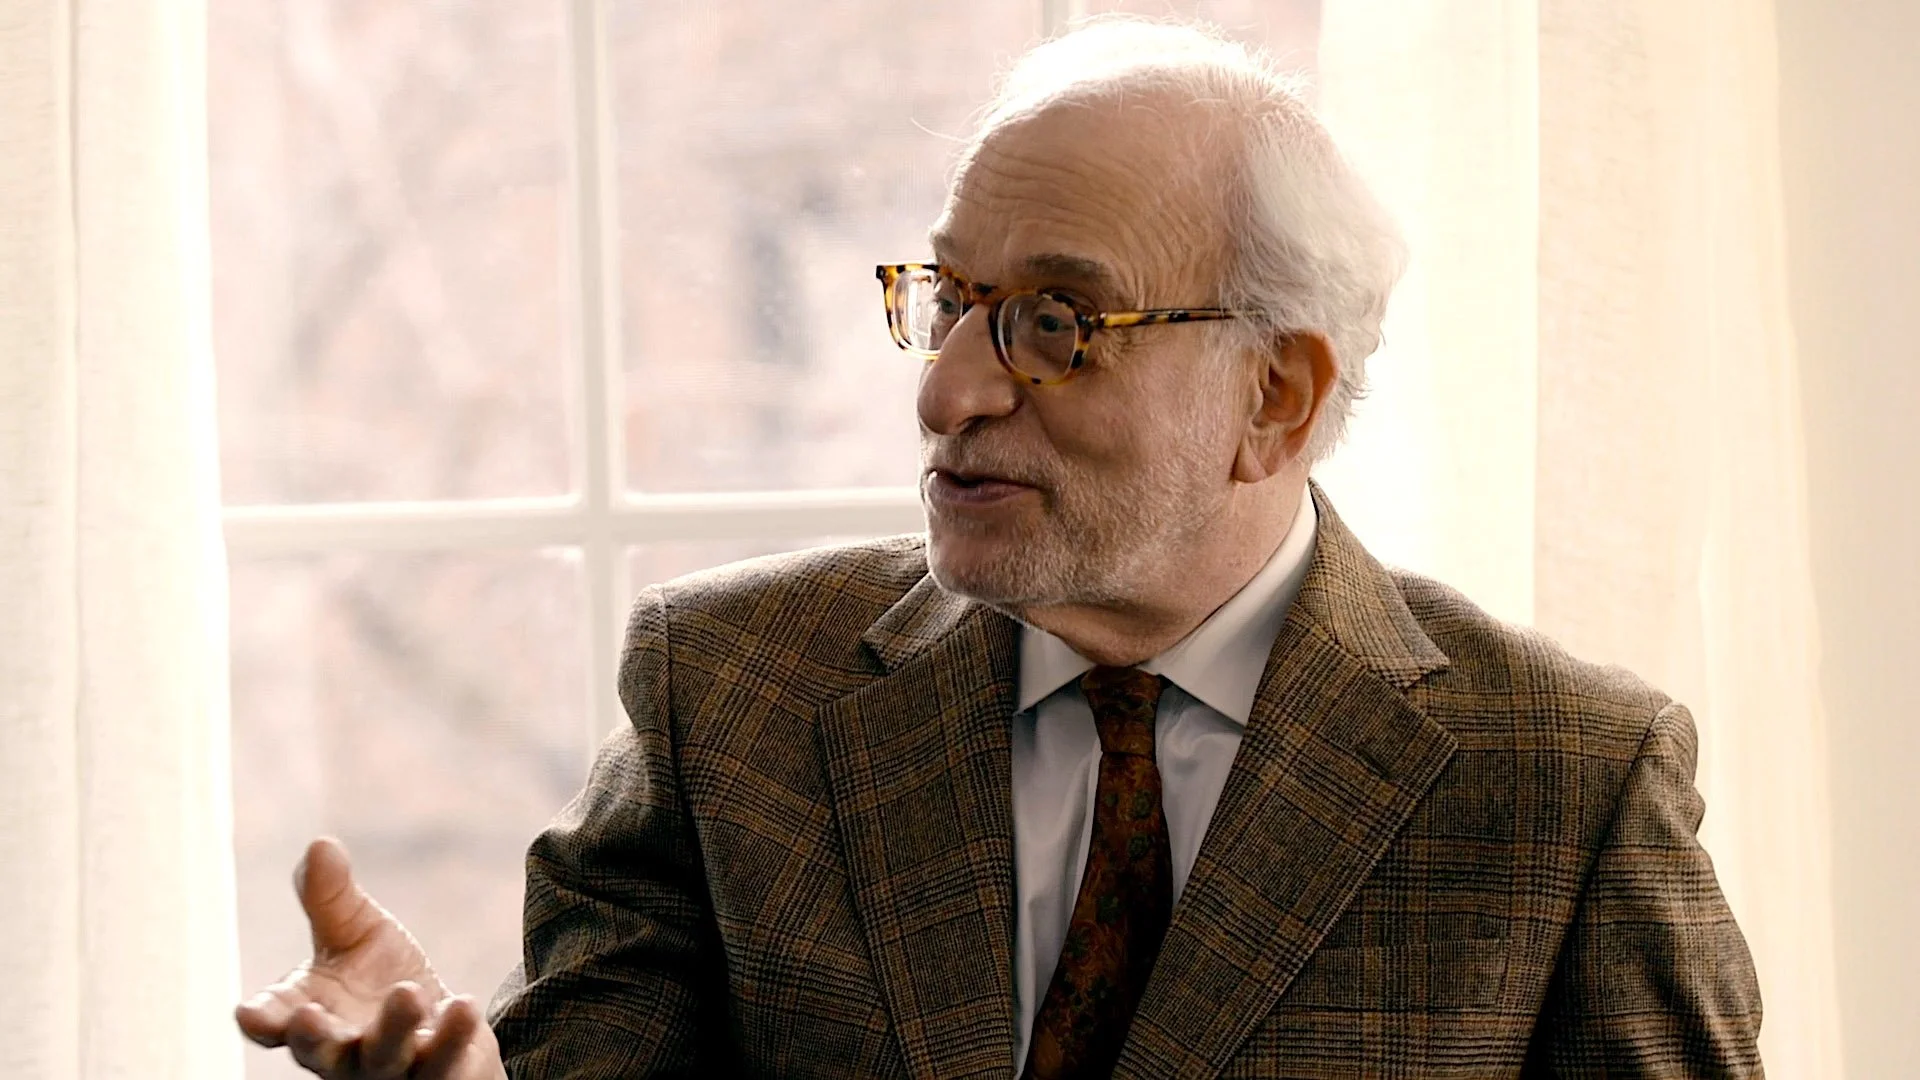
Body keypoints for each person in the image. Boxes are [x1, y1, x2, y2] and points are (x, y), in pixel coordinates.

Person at [234, 17, 1763, 1079]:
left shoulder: (1565, 780)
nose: (948, 389)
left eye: (1055, 325)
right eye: (948, 300)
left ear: (1275, 396)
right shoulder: (726, 695)